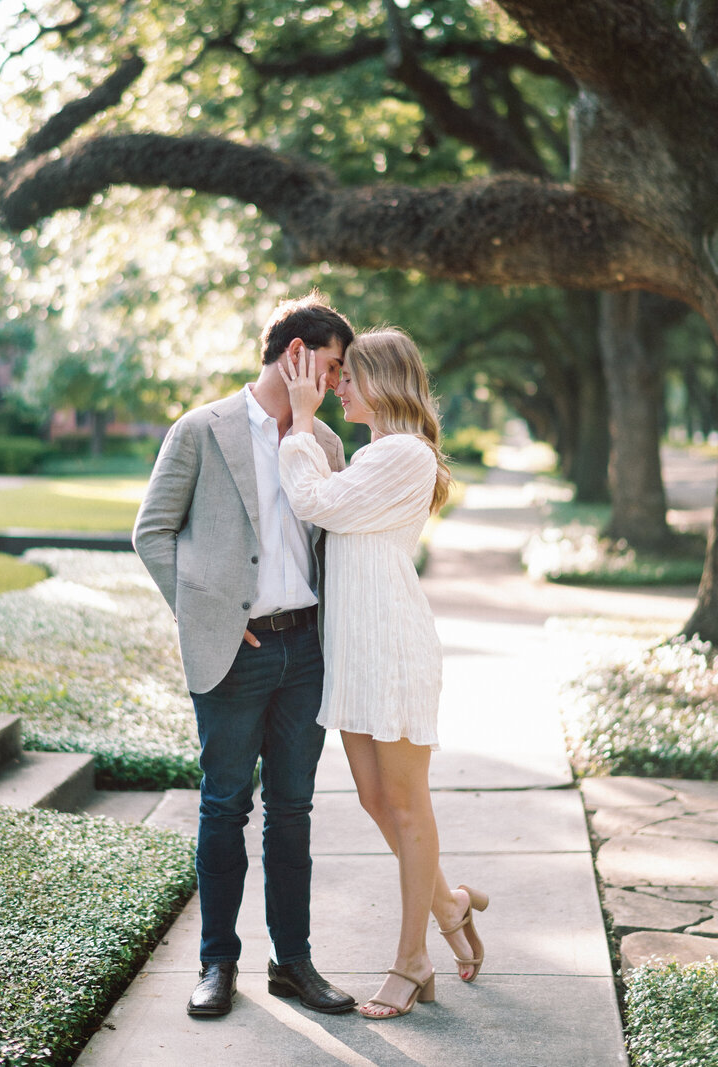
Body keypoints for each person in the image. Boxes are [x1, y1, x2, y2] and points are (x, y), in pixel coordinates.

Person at [132, 293, 356, 1019]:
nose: (338, 381)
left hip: (307, 652)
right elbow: (152, 531)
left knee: (293, 812)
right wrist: (207, 614)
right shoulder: (202, 429)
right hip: (237, 651)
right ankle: (216, 964)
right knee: (224, 806)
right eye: (332, 365)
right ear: (295, 354)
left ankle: (292, 961)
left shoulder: (324, 443)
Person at [278, 328, 489, 1020]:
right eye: (335, 378)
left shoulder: (403, 453)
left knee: (406, 803)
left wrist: (302, 422)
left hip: (393, 650)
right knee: (375, 799)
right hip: (358, 653)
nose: (338, 385)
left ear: (385, 380)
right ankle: (452, 904)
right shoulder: (377, 453)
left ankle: (413, 960)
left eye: (349, 376)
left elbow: (316, 501)